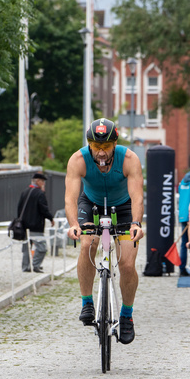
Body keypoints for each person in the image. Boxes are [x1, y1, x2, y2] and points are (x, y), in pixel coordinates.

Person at [65, 118, 144, 345]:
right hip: (92, 204)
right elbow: (70, 198)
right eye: (96, 146)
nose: (100, 152)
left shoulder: (129, 159)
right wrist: (73, 224)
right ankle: (87, 302)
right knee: (88, 244)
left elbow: (137, 196)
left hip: (124, 206)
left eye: (106, 147)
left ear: (115, 143)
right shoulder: (78, 159)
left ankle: (126, 316)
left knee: (127, 264)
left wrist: (136, 223)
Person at [17, 172, 55, 273]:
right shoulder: (39, 193)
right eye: (43, 181)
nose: (44, 184)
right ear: (38, 181)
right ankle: (35, 265)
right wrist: (51, 218)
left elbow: (19, 208)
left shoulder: (25, 191)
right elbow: (44, 209)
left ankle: (26, 267)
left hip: (24, 225)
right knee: (42, 247)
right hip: (35, 226)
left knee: (26, 247)